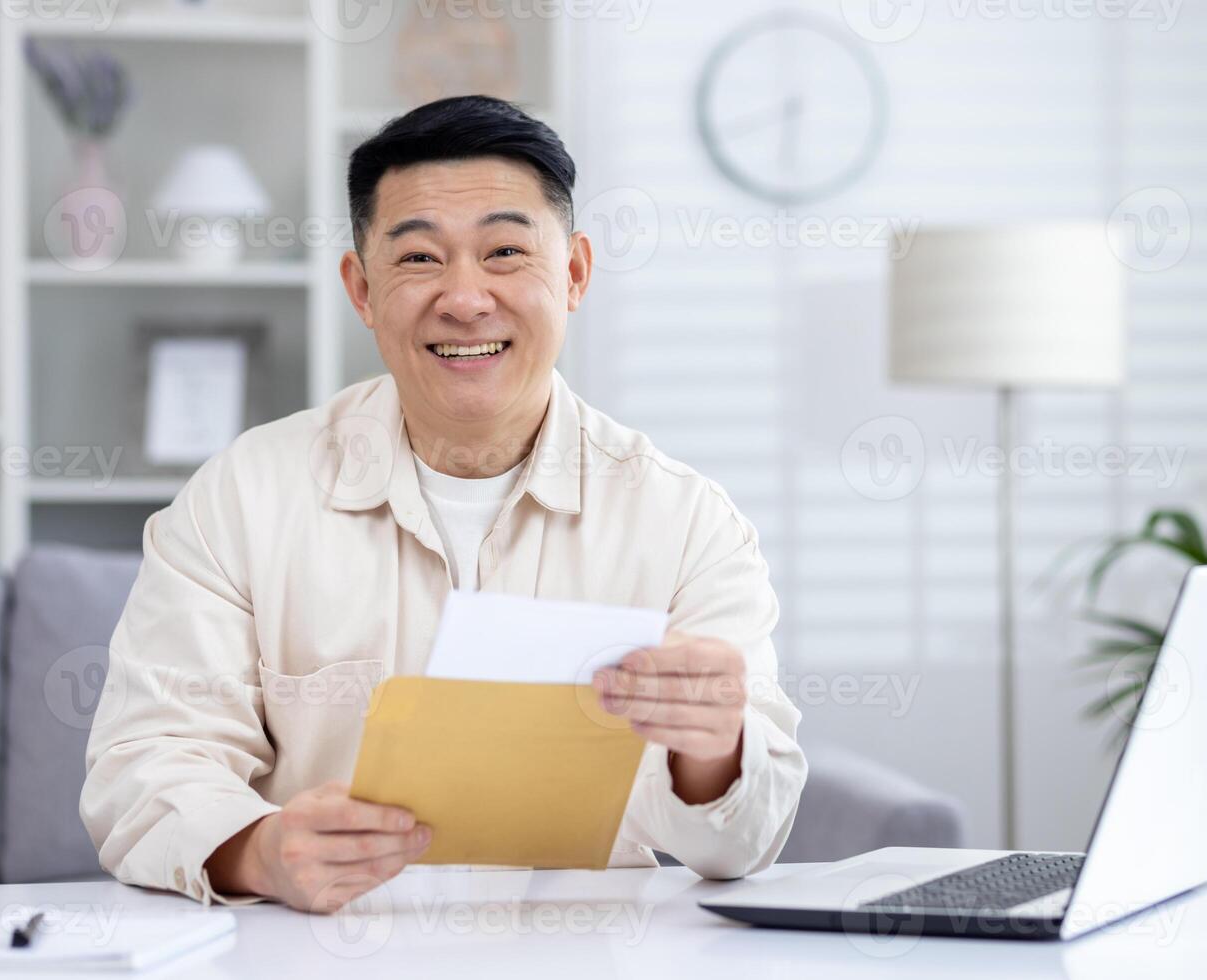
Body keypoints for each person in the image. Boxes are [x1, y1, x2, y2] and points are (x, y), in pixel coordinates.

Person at [80, 96, 807, 912]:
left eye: (504, 252)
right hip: (318, 958)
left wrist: (712, 753)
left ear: (573, 275)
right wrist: (261, 851)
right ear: (361, 288)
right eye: (420, 259)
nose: (465, 299)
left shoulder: (684, 521)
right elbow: (143, 764)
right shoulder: (242, 497)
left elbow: (743, 845)